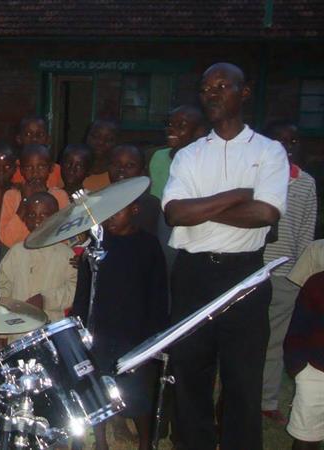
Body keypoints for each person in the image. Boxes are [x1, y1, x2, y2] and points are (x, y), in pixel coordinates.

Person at [162, 62, 288, 450]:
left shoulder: (269, 151)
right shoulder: (188, 155)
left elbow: (265, 213)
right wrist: (237, 195)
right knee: (190, 376)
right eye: (205, 88)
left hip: (244, 276)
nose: (212, 94)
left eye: (221, 86)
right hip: (193, 275)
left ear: (243, 92)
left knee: (243, 381)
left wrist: (202, 207)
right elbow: (175, 213)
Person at [72, 199, 168, 450]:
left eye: (117, 212)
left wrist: (154, 336)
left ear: (134, 210)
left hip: (135, 331)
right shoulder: (97, 245)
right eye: (107, 213)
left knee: (137, 391)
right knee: (98, 387)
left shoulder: (148, 245)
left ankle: (145, 442)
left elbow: (158, 292)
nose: (110, 218)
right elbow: (84, 291)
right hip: (100, 330)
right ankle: (100, 441)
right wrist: (79, 325)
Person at [260, 120, 318, 423]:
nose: (286, 146)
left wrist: (300, 274)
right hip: (253, 269)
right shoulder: (256, 174)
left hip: (286, 273)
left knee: (274, 339)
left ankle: (267, 400)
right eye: (279, 140)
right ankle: (234, 393)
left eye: (292, 141)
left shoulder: (306, 183)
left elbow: (306, 230)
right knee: (245, 337)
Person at [0, 192, 76, 321]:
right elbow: (3, 287)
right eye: (31, 215)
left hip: (50, 323)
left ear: (56, 219)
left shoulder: (66, 254)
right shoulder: (16, 252)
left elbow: (74, 289)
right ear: (25, 219)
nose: (37, 220)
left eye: (43, 215)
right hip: (18, 324)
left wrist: (45, 299)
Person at [283, 271, 324, 450]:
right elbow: (298, 328)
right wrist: (300, 368)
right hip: (316, 372)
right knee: (307, 437)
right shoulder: (318, 282)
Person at [0, 144, 69, 248]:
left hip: (51, 253)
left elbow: (64, 237)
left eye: (41, 167)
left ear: (51, 168)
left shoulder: (59, 196)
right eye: (28, 167)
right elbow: (8, 239)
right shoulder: (11, 196)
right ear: (21, 170)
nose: (35, 173)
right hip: (21, 254)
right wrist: (24, 201)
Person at [149, 105, 206, 199]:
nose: (170, 129)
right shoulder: (158, 156)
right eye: (169, 124)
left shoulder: (203, 161)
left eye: (181, 126)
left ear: (199, 132)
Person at [108, 144, 162, 236]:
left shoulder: (150, 204)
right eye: (116, 164)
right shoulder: (97, 199)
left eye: (129, 166)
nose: (121, 170)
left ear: (142, 171)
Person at [11, 116, 62, 187]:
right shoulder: (11, 169)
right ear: (19, 139)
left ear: (48, 139)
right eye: (28, 134)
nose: (34, 139)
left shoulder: (58, 171)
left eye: (40, 134)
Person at [83, 119, 118, 191]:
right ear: (86, 137)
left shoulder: (119, 175)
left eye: (108, 139)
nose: (101, 142)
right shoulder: (69, 171)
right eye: (95, 136)